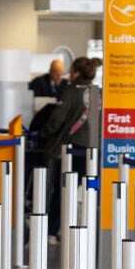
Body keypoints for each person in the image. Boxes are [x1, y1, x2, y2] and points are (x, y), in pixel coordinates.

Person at [38, 57, 98, 239]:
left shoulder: (70, 92)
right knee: (86, 190)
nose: (69, 75)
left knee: (62, 190)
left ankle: (52, 230)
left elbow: (57, 120)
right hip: (92, 151)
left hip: (71, 150)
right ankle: (84, 230)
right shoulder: (97, 92)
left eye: (72, 71)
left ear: (77, 73)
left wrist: (45, 133)